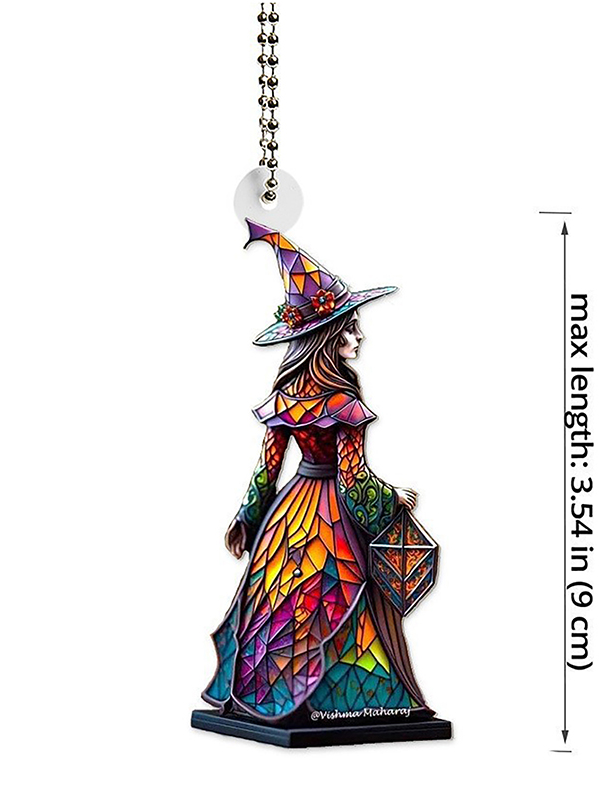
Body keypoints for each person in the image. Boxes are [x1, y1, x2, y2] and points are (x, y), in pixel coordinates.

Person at [202, 220, 432, 723]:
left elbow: (266, 471)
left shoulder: (285, 397)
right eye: (349, 328)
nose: (359, 335)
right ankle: (342, 701)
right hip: (331, 518)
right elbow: (353, 481)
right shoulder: (343, 402)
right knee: (337, 598)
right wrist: (393, 497)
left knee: (281, 601)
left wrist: (247, 518)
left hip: (288, 516)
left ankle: (272, 689)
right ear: (326, 339)